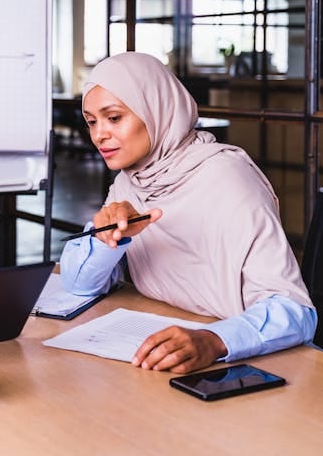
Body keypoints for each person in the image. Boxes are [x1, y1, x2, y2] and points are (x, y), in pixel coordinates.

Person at [60, 51, 317, 374]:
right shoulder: (130, 183)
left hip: (245, 364)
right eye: (91, 122)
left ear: (157, 111)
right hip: (159, 347)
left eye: (114, 118)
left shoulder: (227, 178)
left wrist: (214, 340)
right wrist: (103, 241)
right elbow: (78, 286)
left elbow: (295, 311)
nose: (99, 135)